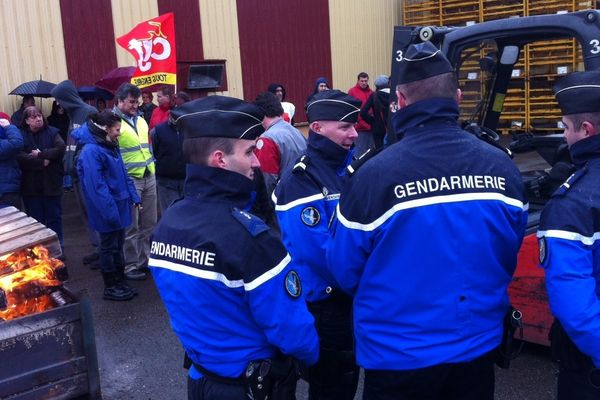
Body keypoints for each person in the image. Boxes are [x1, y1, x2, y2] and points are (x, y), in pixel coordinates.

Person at [327, 42, 528, 400]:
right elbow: (508, 250)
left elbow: (343, 270)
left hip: (399, 359)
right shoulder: (502, 168)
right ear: (458, 96)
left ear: (399, 102)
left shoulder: (374, 177)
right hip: (476, 351)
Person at [149, 95, 319, 400]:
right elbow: (293, 332)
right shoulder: (252, 240)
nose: (256, 161)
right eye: (250, 151)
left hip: (200, 379)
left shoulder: (167, 222)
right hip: (250, 387)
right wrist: (312, 355)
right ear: (220, 159)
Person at [273, 89, 361, 400]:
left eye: (355, 126)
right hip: (326, 305)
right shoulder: (302, 178)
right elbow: (317, 254)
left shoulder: (349, 169)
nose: (354, 133)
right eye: (345, 127)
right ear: (319, 127)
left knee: (346, 379)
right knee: (331, 386)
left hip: (348, 296)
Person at [538, 70, 600, 399]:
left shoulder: (571, 204)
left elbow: (577, 309)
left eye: (565, 127)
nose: (563, 136)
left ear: (585, 130)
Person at [76, 111, 141, 301]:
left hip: (118, 206)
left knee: (117, 246)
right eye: (117, 129)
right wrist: (110, 213)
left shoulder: (109, 145)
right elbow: (97, 188)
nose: (120, 133)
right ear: (105, 128)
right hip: (107, 209)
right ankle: (111, 286)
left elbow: (124, 173)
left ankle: (120, 282)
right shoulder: (91, 151)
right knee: (108, 247)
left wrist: (134, 196)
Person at [51, 80, 101, 267]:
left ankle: (104, 251)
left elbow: (95, 144)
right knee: (86, 214)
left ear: (67, 97)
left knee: (95, 212)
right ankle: (97, 248)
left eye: (60, 99)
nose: (59, 104)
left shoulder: (88, 113)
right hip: (76, 175)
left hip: (88, 174)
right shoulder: (72, 115)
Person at [112, 83, 157, 281]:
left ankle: (145, 261)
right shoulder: (112, 122)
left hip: (148, 175)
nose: (135, 105)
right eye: (131, 102)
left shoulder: (140, 120)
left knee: (150, 223)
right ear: (119, 101)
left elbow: (146, 147)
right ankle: (130, 265)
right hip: (130, 179)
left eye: (137, 102)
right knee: (131, 225)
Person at [17, 106, 67, 256]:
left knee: (54, 218)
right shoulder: (20, 135)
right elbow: (19, 156)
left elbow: (60, 149)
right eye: (34, 117)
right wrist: (42, 161)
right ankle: (40, 253)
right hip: (31, 187)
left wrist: (42, 154)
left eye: (39, 115)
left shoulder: (52, 132)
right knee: (35, 221)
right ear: (26, 120)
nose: (38, 119)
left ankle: (58, 250)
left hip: (51, 184)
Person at [253, 91, 306, 198]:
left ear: (260, 113)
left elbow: (267, 181)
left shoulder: (266, 139)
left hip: (282, 200)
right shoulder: (297, 132)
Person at [152, 94, 191, 214]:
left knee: (187, 216)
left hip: (187, 180)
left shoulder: (190, 129)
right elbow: (156, 152)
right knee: (170, 215)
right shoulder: (158, 130)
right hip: (167, 182)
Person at [360, 74, 390, 150]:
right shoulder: (394, 94)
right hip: (391, 128)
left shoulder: (374, 95)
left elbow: (363, 112)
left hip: (378, 129)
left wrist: (373, 121)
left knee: (379, 152)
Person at [48, 100, 72, 191]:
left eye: (62, 107)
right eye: (59, 107)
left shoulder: (67, 118)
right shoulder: (50, 119)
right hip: (56, 144)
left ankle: (68, 183)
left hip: (67, 142)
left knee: (67, 161)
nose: (61, 109)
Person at [0, 116, 24, 209]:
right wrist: (9, 127)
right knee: (13, 221)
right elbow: (16, 143)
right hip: (5, 191)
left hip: (6, 189)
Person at [348, 72, 374, 156]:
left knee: (370, 153)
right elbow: (350, 109)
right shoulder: (352, 92)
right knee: (359, 153)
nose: (364, 83)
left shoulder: (371, 93)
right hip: (359, 129)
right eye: (362, 81)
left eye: (365, 81)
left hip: (371, 127)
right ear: (358, 81)